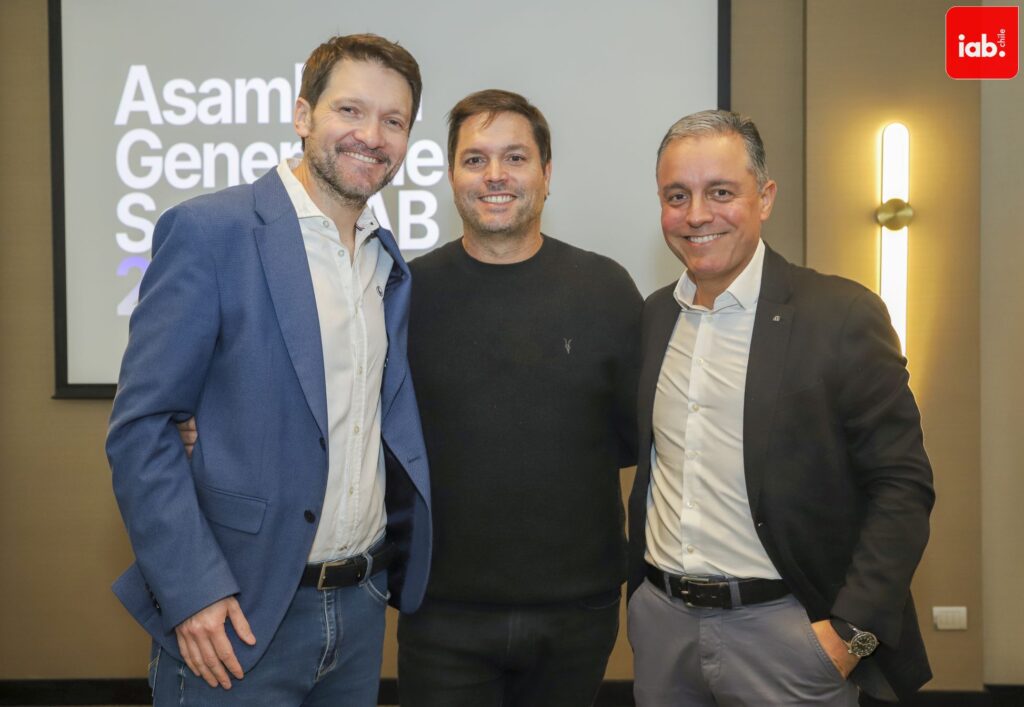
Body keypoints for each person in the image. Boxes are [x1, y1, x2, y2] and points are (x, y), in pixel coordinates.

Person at [105, 34, 431, 706]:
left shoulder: (384, 260)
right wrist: (192, 589)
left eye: (393, 121)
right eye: (350, 110)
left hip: (361, 607)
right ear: (303, 114)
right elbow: (141, 428)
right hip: (237, 611)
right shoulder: (210, 232)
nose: (371, 136)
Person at [626, 109, 935, 706]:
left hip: (789, 635)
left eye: (721, 192)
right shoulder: (656, 316)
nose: (696, 215)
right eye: (677, 195)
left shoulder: (840, 315)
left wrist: (851, 636)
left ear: (765, 198)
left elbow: (902, 485)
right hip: (663, 627)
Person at [395, 89, 642, 707]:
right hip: (441, 613)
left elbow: (629, 435)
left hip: (577, 611)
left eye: (515, 157)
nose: (495, 175)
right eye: (475, 160)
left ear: (546, 174)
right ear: (451, 176)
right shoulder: (406, 294)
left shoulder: (606, 289)